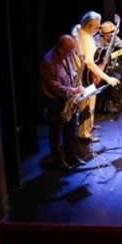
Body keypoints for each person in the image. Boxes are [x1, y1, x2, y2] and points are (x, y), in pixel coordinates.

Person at [72, 12, 120, 142]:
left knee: (90, 102)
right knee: (87, 103)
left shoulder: (77, 29)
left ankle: (89, 126)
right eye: (97, 27)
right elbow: (90, 65)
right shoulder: (85, 39)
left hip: (81, 73)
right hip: (83, 76)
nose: (99, 30)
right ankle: (84, 134)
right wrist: (108, 78)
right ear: (88, 25)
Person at [40, 35, 84, 170]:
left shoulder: (67, 54)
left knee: (70, 127)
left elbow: (68, 72)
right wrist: (74, 90)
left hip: (67, 95)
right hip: (54, 99)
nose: (72, 55)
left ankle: (71, 156)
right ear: (61, 49)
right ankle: (58, 160)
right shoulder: (49, 62)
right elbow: (55, 87)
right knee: (56, 130)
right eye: (70, 52)